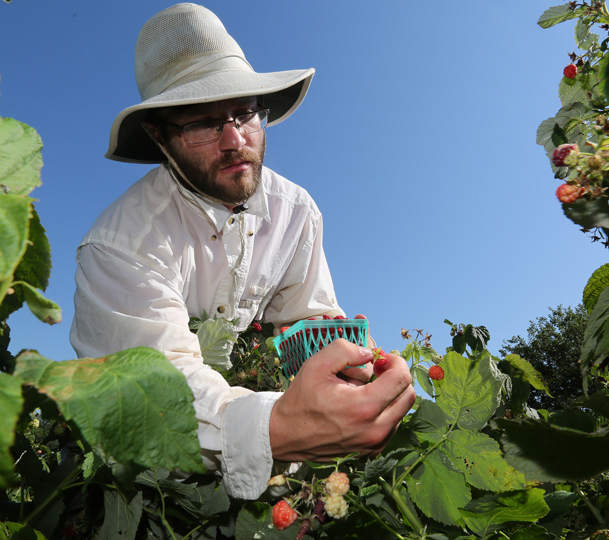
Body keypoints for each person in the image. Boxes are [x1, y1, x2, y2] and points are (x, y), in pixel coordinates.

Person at [69, 3, 415, 499]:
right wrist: (283, 427)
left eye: (245, 113)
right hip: (140, 475)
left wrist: (353, 377)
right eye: (203, 123)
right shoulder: (120, 245)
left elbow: (307, 323)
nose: (235, 140)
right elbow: (155, 391)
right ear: (158, 136)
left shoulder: (296, 212)